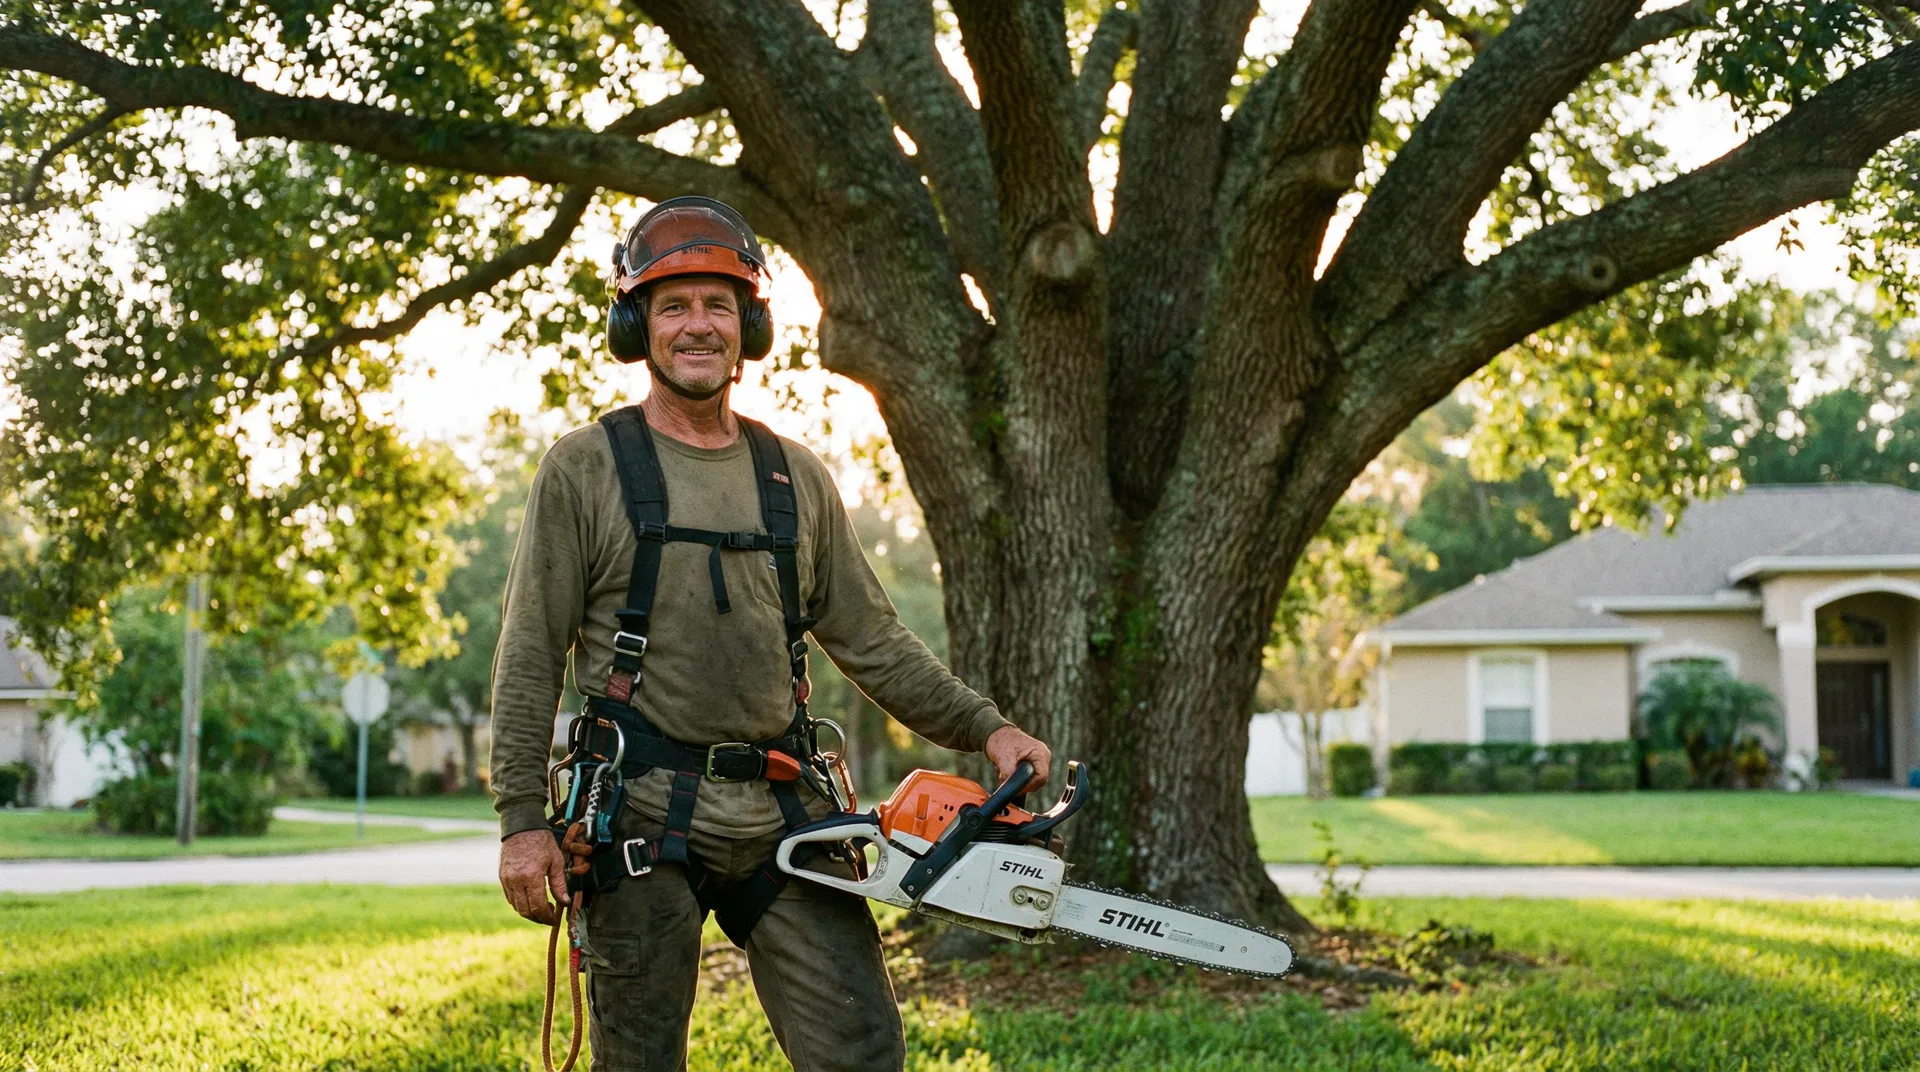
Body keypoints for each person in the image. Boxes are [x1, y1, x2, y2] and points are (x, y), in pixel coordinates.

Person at [490, 195, 1051, 1072]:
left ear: (749, 324)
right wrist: (523, 823)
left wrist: (989, 729)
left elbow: (875, 643)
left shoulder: (795, 475)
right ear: (637, 324)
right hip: (637, 809)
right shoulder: (586, 467)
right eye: (673, 305)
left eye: (719, 304)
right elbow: (528, 655)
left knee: (861, 1051)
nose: (698, 326)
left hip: (784, 809)